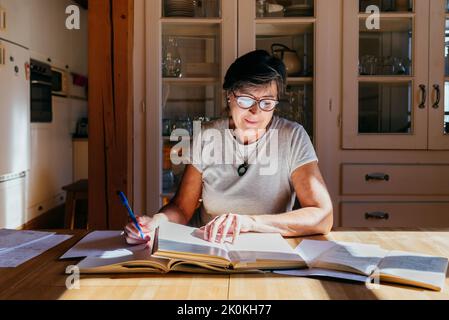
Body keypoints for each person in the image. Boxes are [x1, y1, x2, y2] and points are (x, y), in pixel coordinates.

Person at [125, 50, 333, 246]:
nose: (255, 111)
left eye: (267, 103)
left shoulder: (292, 137)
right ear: (229, 96)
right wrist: (156, 223)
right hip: (207, 247)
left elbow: (322, 215)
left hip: (264, 249)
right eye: (245, 99)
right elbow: (181, 208)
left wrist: (248, 223)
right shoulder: (207, 136)